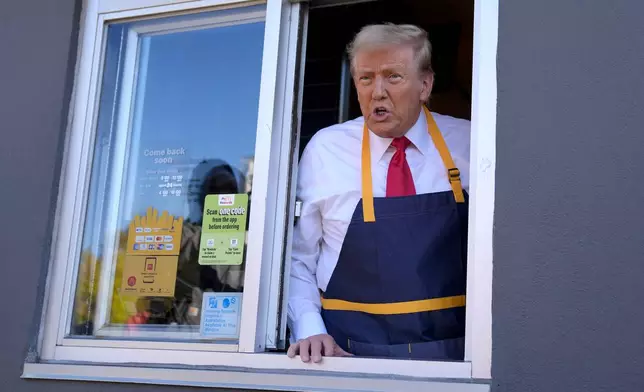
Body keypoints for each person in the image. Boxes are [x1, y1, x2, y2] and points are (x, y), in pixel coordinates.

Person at [286, 23, 471, 363]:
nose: (378, 92)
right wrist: (310, 328)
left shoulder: (471, 143)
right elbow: (298, 257)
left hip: (455, 360)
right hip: (347, 356)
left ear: (425, 84)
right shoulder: (325, 149)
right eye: (366, 78)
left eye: (393, 77)